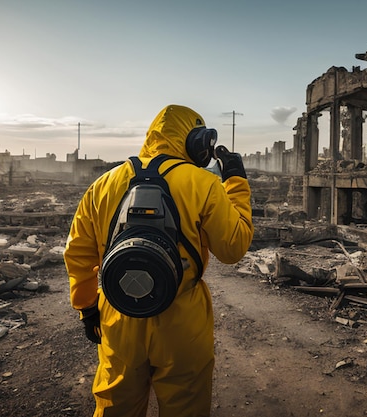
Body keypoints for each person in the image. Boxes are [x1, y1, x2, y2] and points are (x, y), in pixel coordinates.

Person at [63, 104, 254, 417]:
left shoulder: (103, 184)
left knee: (115, 406)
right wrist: (236, 182)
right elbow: (233, 248)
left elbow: (78, 254)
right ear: (197, 142)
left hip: (120, 311)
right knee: (185, 406)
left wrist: (87, 308)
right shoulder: (203, 184)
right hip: (183, 318)